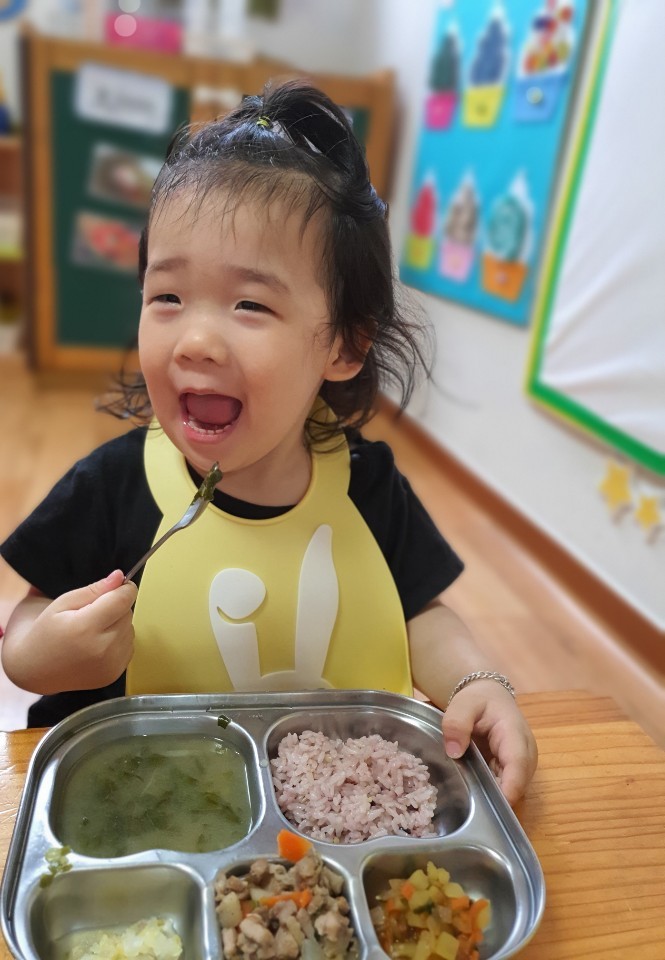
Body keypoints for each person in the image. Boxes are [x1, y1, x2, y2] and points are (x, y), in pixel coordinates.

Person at [0, 80, 536, 803]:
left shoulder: (366, 484)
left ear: (343, 346)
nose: (195, 340)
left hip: (326, 806)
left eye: (250, 304)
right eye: (167, 297)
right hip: (143, 798)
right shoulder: (112, 487)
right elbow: (29, 622)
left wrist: (478, 682)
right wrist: (42, 655)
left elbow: (421, 615)